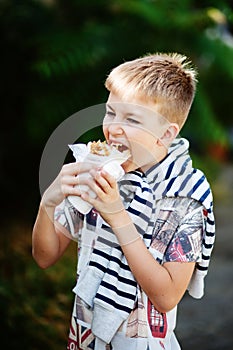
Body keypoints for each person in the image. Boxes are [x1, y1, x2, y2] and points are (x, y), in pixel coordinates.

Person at [32, 53, 215, 350]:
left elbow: (167, 296)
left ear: (166, 133)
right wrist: (49, 202)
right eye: (110, 112)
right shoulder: (99, 170)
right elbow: (44, 257)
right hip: (83, 337)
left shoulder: (187, 194)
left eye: (131, 119)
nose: (113, 128)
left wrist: (117, 216)